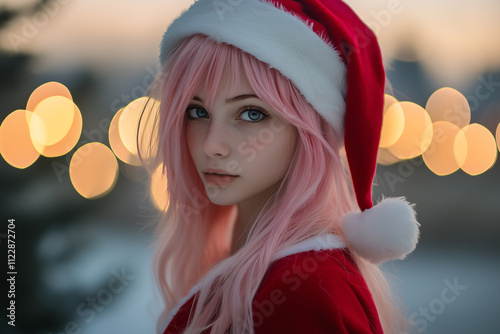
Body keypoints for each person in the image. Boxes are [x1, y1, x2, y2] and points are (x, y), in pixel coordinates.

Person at [141, 0, 420, 333]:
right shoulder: (281, 277)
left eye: (252, 113)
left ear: (310, 130)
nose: (211, 145)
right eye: (197, 112)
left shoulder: (304, 294)